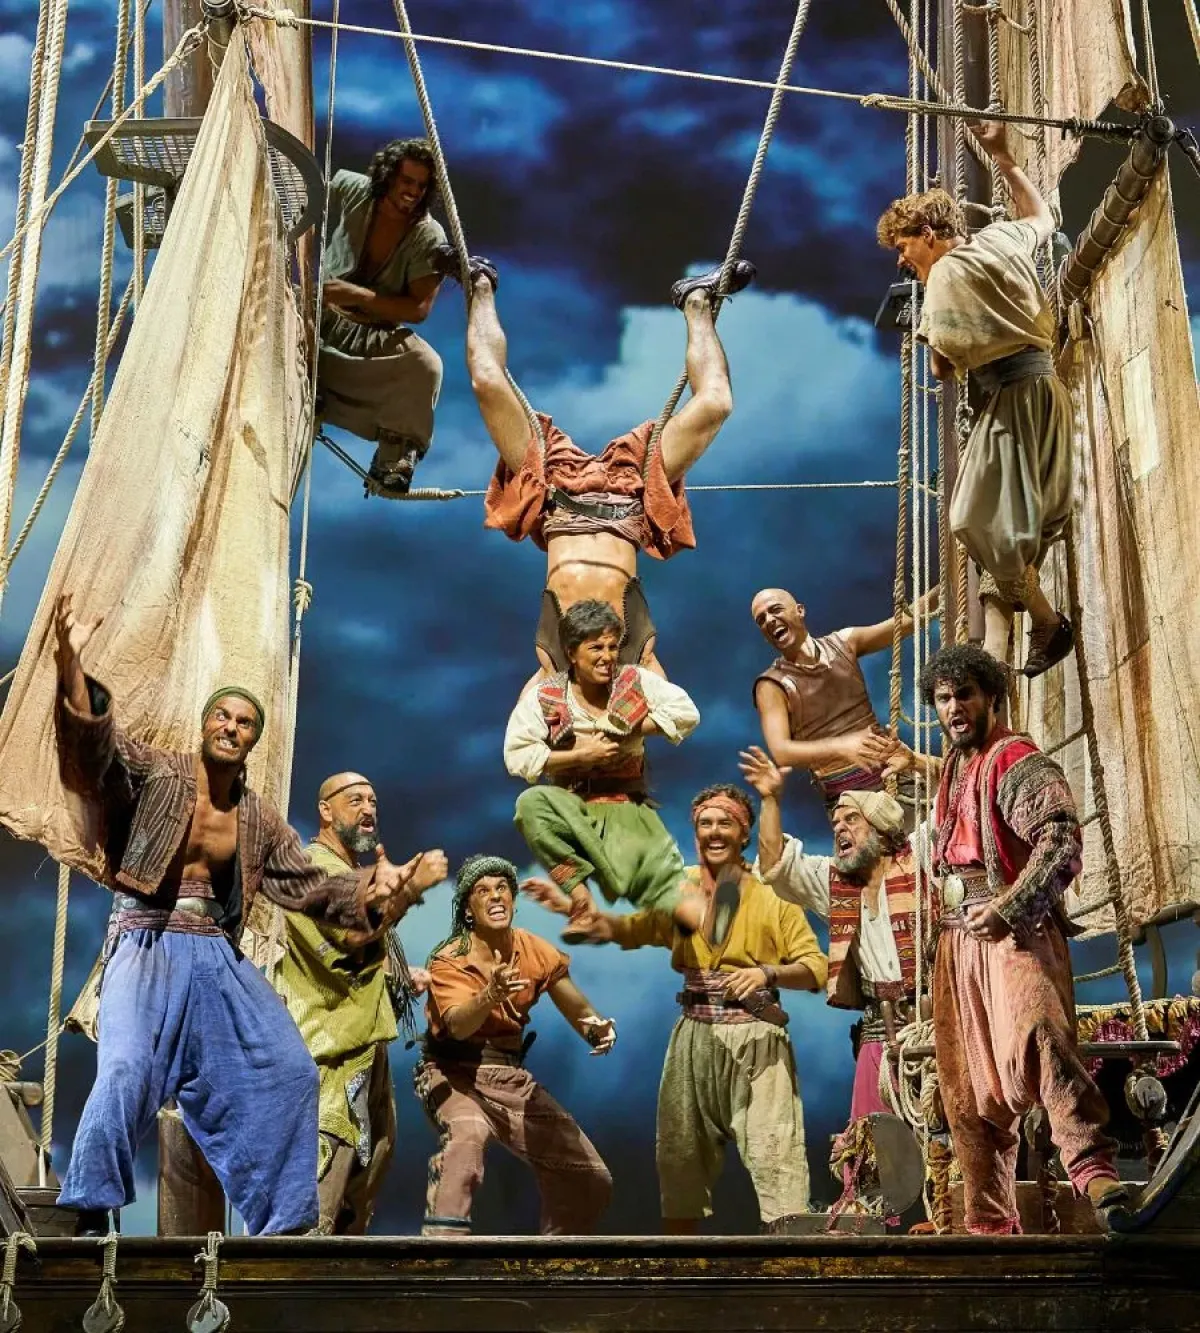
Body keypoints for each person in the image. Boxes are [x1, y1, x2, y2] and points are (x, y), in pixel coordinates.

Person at [50, 594, 415, 1236]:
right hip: (146, 936)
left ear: (252, 739)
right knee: (127, 1069)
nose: (231, 727)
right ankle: (90, 1205)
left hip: (215, 952)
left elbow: (308, 889)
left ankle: (284, 1221)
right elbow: (95, 754)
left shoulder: (258, 818)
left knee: (292, 1072)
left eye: (244, 722)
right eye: (222, 715)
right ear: (205, 724)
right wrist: (72, 667)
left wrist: (376, 895)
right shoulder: (160, 773)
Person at [889, 643, 1124, 1233]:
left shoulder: (1015, 759)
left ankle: (1095, 1174)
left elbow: (1061, 839)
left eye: (965, 694)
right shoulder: (952, 768)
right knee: (964, 1087)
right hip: (957, 941)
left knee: (1042, 1038)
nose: (953, 708)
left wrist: (1011, 908)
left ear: (992, 696)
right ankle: (988, 1222)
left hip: (1013, 933)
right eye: (943, 698)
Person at [440, 242, 752, 676]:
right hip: (632, 488)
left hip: (554, 486)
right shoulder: (638, 657)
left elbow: (523, 721)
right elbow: (676, 707)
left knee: (488, 382)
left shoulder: (554, 664)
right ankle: (696, 301)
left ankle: (479, 284)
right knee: (717, 403)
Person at [528, 783, 827, 1232]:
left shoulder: (771, 893)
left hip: (756, 1039)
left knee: (776, 1153)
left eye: (725, 823)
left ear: (744, 833)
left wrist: (767, 973)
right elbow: (630, 929)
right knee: (680, 1157)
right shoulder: (679, 888)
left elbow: (815, 967)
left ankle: (790, 1265)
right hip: (693, 1036)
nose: (714, 832)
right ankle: (679, 1266)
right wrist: (570, 909)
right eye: (705, 823)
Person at [876, 120, 1074, 678]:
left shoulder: (943, 276)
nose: (902, 260)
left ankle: (1048, 621)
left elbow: (942, 367)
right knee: (1008, 529)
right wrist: (1004, 158)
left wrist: (927, 313)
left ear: (929, 233)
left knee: (970, 519)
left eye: (903, 247)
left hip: (1009, 401)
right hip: (1047, 392)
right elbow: (1042, 218)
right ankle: (1019, 633)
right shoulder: (999, 239)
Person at [274, 771, 448, 1234]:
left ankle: (334, 1272)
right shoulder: (314, 868)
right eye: (355, 800)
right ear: (325, 811)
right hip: (330, 1044)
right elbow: (348, 941)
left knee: (366, 1172)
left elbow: (360, 955)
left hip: (364, 1036)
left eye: (372, 800)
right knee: (327, 1165)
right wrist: (409, 892)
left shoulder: (349, 871)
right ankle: (298, 1272)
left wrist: (398, 977)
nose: (368, 809)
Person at [414, 855, 616, 1235]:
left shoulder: (532, 949)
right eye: (483, 891)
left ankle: (553, 1261)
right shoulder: (449, 960)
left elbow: (578, 1008)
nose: (495, 896)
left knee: (588, 1177)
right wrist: (489, 995)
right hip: (454, 1076)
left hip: (510, 1080)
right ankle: (440, 1253)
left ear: (512, 899)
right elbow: (457, 1026)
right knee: (467, 1140)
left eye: (502, 888)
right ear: (468, 909)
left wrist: (597, 1030)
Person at [742, 745, 933, 1127]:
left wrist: (917, 762)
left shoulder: (921, 856)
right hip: (879, 1033)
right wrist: (770, 799)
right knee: (872, 1144)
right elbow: (776, 865)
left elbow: (958, 794)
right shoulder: (835, 881)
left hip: (937, 1025)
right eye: (835, 823)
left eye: (851, 819)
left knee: (949, 1140)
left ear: (881, 829)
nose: (839, 828)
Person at [504, 598, 704, 938]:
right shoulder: (546, 696)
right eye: (596, 647)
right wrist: (581, 756)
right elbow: (517, 755)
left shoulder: (634, 681)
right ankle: (581, 903)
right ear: (572, 652)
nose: (607, 656)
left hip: (625, 810)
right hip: (571, 808)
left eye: (612, 647)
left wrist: (633, 728)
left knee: (687, 913)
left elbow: (687, 713)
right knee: (530, 804)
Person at [317, 138, 447, 497]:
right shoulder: (355, 189)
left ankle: (394, 459)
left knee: (425, 365)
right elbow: (311, 192)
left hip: (371, 336)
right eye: (407, 181)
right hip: (317, 319)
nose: (413, 192)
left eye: (421, 185)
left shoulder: (429, 236)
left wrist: (358, 296)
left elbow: (418, 310)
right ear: (388, 176)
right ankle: (309, 387)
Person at [751, 586, 935, 809]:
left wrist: (948, 583)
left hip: (896, 773)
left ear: (800, 610)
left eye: (775, 610)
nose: (769, 620)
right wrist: (841, 746)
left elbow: (904, 623)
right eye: (761, 620)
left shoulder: (845, 642)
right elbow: (781, 752)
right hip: (848, 799)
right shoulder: (771, 684)